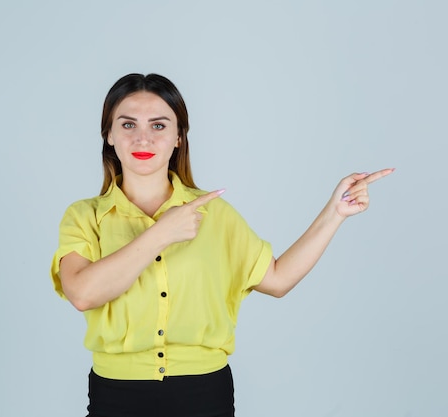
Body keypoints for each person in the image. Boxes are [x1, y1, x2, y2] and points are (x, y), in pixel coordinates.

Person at [50, 73, 394, 417]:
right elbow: (82, 293)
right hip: (115, 395)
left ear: (178, 138)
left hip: (203, 393)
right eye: (127, 125)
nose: (142, 137)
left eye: (158, 126)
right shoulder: (84, 216)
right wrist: (162, 233)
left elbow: (277, 279)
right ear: (109, 134)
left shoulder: (214, 214)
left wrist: (334, 213)